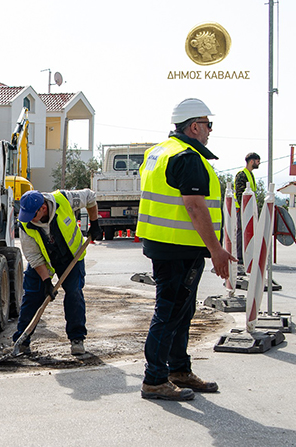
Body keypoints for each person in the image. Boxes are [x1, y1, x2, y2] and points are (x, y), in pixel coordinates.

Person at [136, 98, 235, 401]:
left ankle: (178, 369)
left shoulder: (157, 152)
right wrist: (217, 249)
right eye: (207, 125)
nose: (209, 131)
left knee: (181, 310)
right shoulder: (187, 157)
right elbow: (194, 206)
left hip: (165, 243)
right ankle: (154, 379)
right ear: (194, 126)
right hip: (178, 247)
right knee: (169, 312)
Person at [12, 188, 103, 356]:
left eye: (32, 214)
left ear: (43, 208)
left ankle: (77, 339)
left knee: (74, 293)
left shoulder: (64, 199)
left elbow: (90, 197)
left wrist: (95, 222)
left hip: (71, 257)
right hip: (44, 260)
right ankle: (22, 340)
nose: (29, 219)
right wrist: (46, 281)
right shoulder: (25, 225)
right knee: (33, 296)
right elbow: (34, 256)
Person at [235, 152, 260, 268]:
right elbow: (240, 194)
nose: (259, 163)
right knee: (241, 232)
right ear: (251, 161)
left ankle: (246, 254)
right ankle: (239, 257)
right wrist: (245, 209)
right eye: (257, 161)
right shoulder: (242, 175)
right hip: (242, 209)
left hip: (248, 210)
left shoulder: (250, 175)